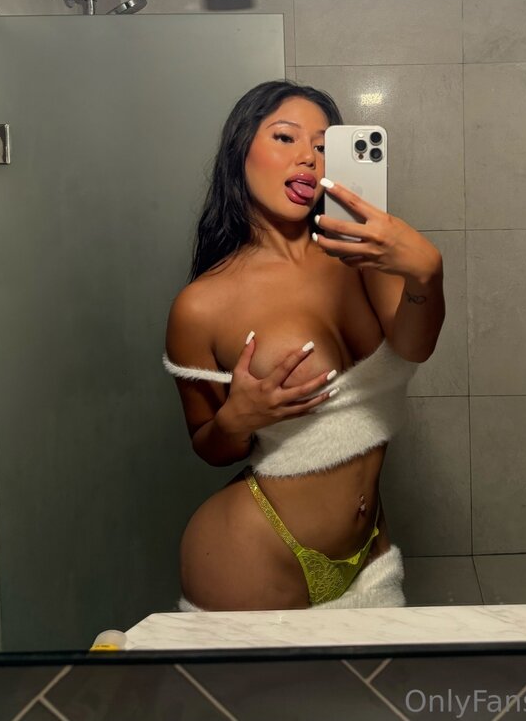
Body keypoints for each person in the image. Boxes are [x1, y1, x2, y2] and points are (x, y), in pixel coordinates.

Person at [163, 79, 445, 610]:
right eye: (285, 137)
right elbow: (208, 446)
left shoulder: (360, 255)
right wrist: (237, 419)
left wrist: (427, 275)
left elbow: (415, 345)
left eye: (322, 144)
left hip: (370, 549)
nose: (308, 158)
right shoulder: (201, 306)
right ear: (240, 150)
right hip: (253, 552)